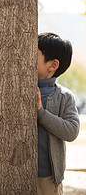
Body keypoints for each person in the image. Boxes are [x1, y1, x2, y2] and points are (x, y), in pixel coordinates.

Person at [37, 32, 80, 195]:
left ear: (52, 65)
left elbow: (71, 131)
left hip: (48, 178)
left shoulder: (64, 97)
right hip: (17, 172)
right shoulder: (19, 89)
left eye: (34, 55)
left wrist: (41, 113)